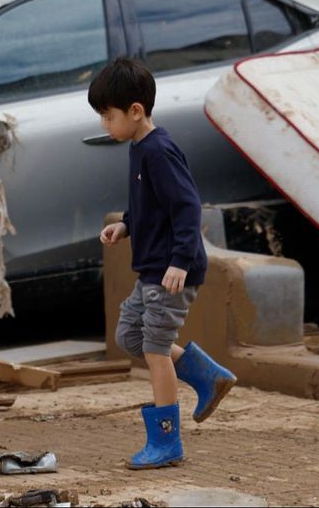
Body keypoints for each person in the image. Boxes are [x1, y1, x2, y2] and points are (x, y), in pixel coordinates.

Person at [88, 58, 237, 470]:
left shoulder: (159, 151)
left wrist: (180, 262)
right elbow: (149, 205)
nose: (105, 124)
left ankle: (166, 442)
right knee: (130, 337)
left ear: (136, 111)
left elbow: (187, 207)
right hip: (152, 269)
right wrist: (126, 226)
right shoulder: (140, 148)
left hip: (171, 271)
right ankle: (207, 376)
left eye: (109, 115)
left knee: (154, 349)